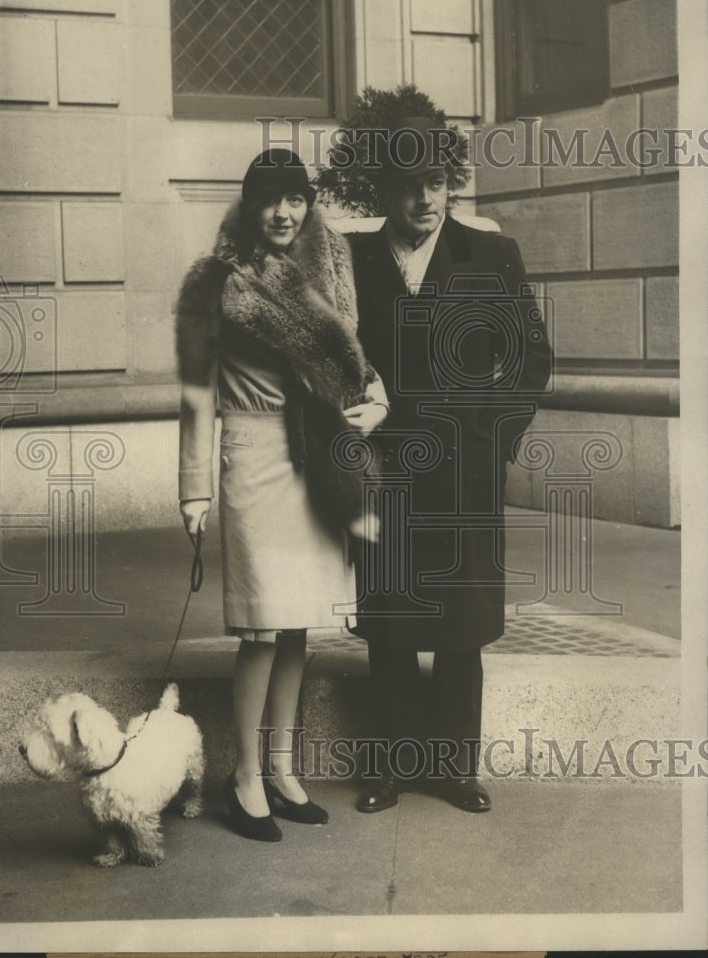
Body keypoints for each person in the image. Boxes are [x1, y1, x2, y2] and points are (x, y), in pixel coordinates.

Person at [175, 148, 388, 841]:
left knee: (298, 625)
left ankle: (282, 767)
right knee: (262, 627)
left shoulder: (326, 267)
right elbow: (195, 393)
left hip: (315, 455)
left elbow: (349, 364)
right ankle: (243, 777)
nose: (284, 212)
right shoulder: (216, 281)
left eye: (295, 198)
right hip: (253, 457)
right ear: (247, 205)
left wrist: (376, 398)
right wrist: (192, 489)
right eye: (270, 199)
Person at [350, 117, 553, 814]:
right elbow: (321, 354)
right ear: (383, 189)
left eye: (434, 183)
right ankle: (387, 768)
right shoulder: (350, 260)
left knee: (462, 621)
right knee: (390, 618)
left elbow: (530, 358)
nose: (424, 200)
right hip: (383, 470)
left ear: (449, 183)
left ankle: (453, 768)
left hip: (463, 467)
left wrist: (490, 440)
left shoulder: (488, 254)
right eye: (408, 187)